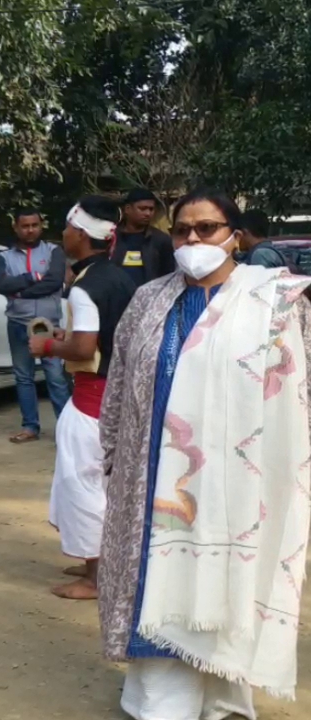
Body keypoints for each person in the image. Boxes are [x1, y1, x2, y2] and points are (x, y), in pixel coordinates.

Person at [99, 186, 311, 720]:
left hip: (239, 476)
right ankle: (160, 703)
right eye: (182, 230)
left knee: (225, 581)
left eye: (207, 228)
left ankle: (220, 696)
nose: (192, 239)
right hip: (155, 470)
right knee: (157, 574)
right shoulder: (149, 300)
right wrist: (112, 457)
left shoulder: (276, 302)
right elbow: (120, 382)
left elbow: (296, 392)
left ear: (234, 236)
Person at [26, 196, 135, 601]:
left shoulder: (85, 288)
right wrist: (64, 338)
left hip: (93, 398)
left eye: (68, 229)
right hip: (117, 392)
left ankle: (97, 575)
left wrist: (48, 348)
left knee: (83, 482)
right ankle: (98, 560)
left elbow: (86, 346)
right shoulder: (119, 278)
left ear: (82, 236)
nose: (63, 235)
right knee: (102, 481)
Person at [0, 209, 71, 443]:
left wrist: (20, 291)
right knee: (23, 377)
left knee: (55, 377)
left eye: (35, 225)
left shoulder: (54, 252)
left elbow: (54, 282)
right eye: (25, 226)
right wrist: (32, 278)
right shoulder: (4, 257)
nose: (30, 229)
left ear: (41, 226)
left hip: (49, 327)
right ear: (16, 227)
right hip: (18, 324)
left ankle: (66, 429)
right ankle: (30, 427)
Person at [110, 188, 176, 286]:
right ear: (128, 209)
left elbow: (168, 275)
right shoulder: (111, 237)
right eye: (142, 209)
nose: (148, 213)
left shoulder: (161, 240)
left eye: (151, 209)